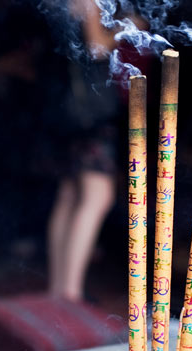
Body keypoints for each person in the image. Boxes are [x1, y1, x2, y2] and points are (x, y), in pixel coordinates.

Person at [47, 0, 122, 302]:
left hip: (64, 108)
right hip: (89, 113)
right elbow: (97, 47)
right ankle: (70, 292)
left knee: (69, 194)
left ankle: (59, 290)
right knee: (97, 196)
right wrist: (129, 30)